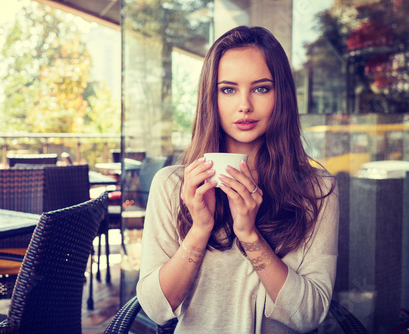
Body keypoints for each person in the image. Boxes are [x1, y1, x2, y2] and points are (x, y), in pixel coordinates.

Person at [136, 25, 339, 333]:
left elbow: (309, 315)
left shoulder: (317, 188)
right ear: (211, 98)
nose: (245, 105)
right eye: (228, 89)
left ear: (280, 95)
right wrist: (200, 229)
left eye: (261, 88)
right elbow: (155, 308)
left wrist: (250, 235)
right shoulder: (172, 185)